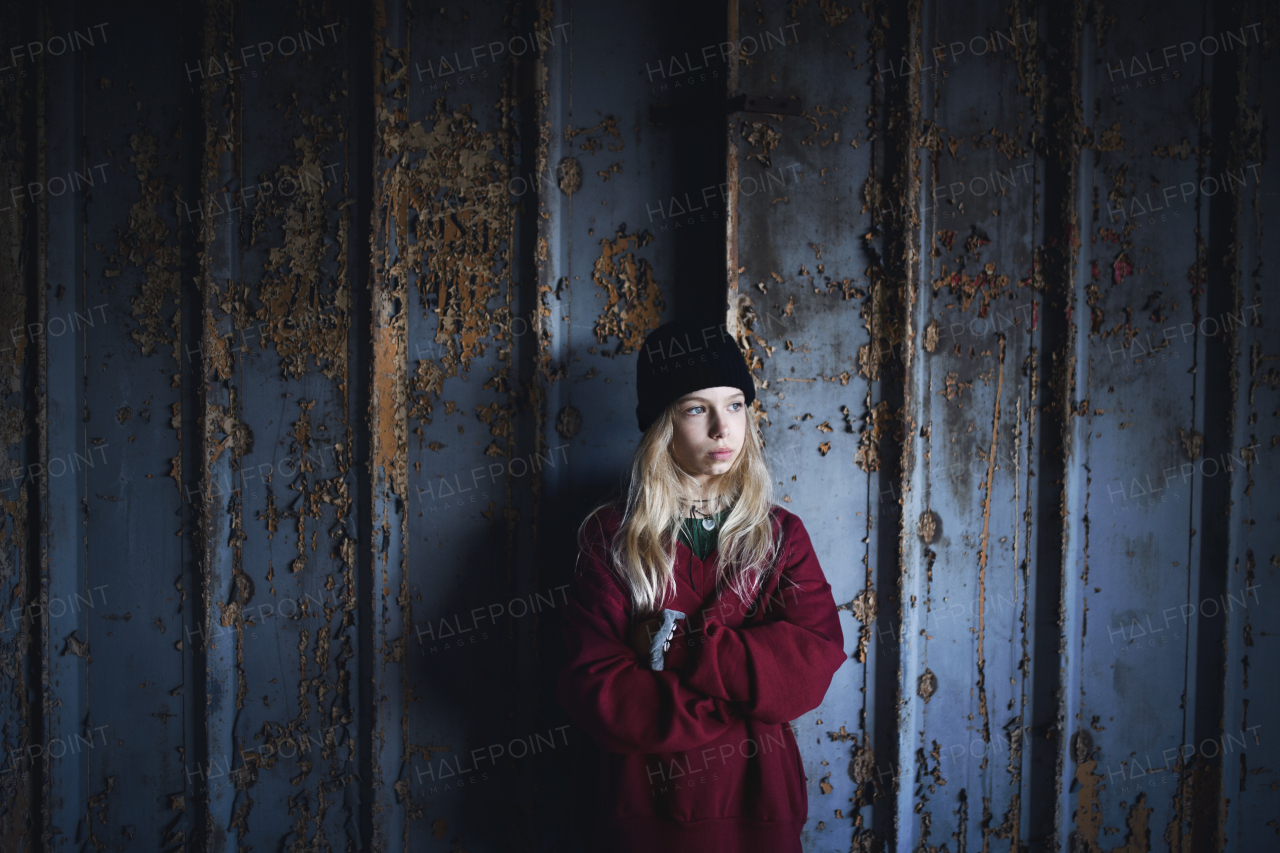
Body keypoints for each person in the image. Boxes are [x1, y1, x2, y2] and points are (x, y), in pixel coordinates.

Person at [555, 318, 847, 853]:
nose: (722, 428)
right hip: (644, 818)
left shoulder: (781, 535)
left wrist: (678, 644)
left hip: (761, 816)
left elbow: (812, 662)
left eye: (735, 405)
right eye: (696, 408)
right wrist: (743, 693)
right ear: (662, 424)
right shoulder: (612, 537)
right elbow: (597, 690)